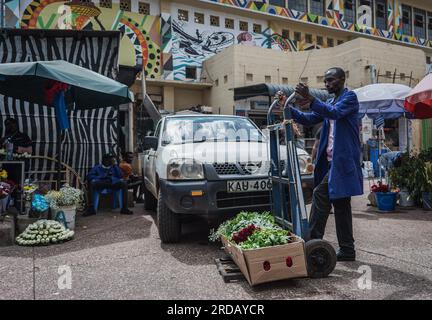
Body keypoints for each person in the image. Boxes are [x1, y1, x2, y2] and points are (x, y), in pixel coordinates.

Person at [279, 67, 363, 262]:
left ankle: (313, 241)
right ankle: (347, 250)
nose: (327, 84)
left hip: (342, 162)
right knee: (341, 206)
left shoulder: (349, 98)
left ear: (342, 79)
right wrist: (287, 106)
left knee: (319, 194)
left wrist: (311, 99)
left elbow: (334, 113)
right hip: (331, 162)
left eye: (331, 80)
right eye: (325, 81)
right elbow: (308, 119)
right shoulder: (330, 101)